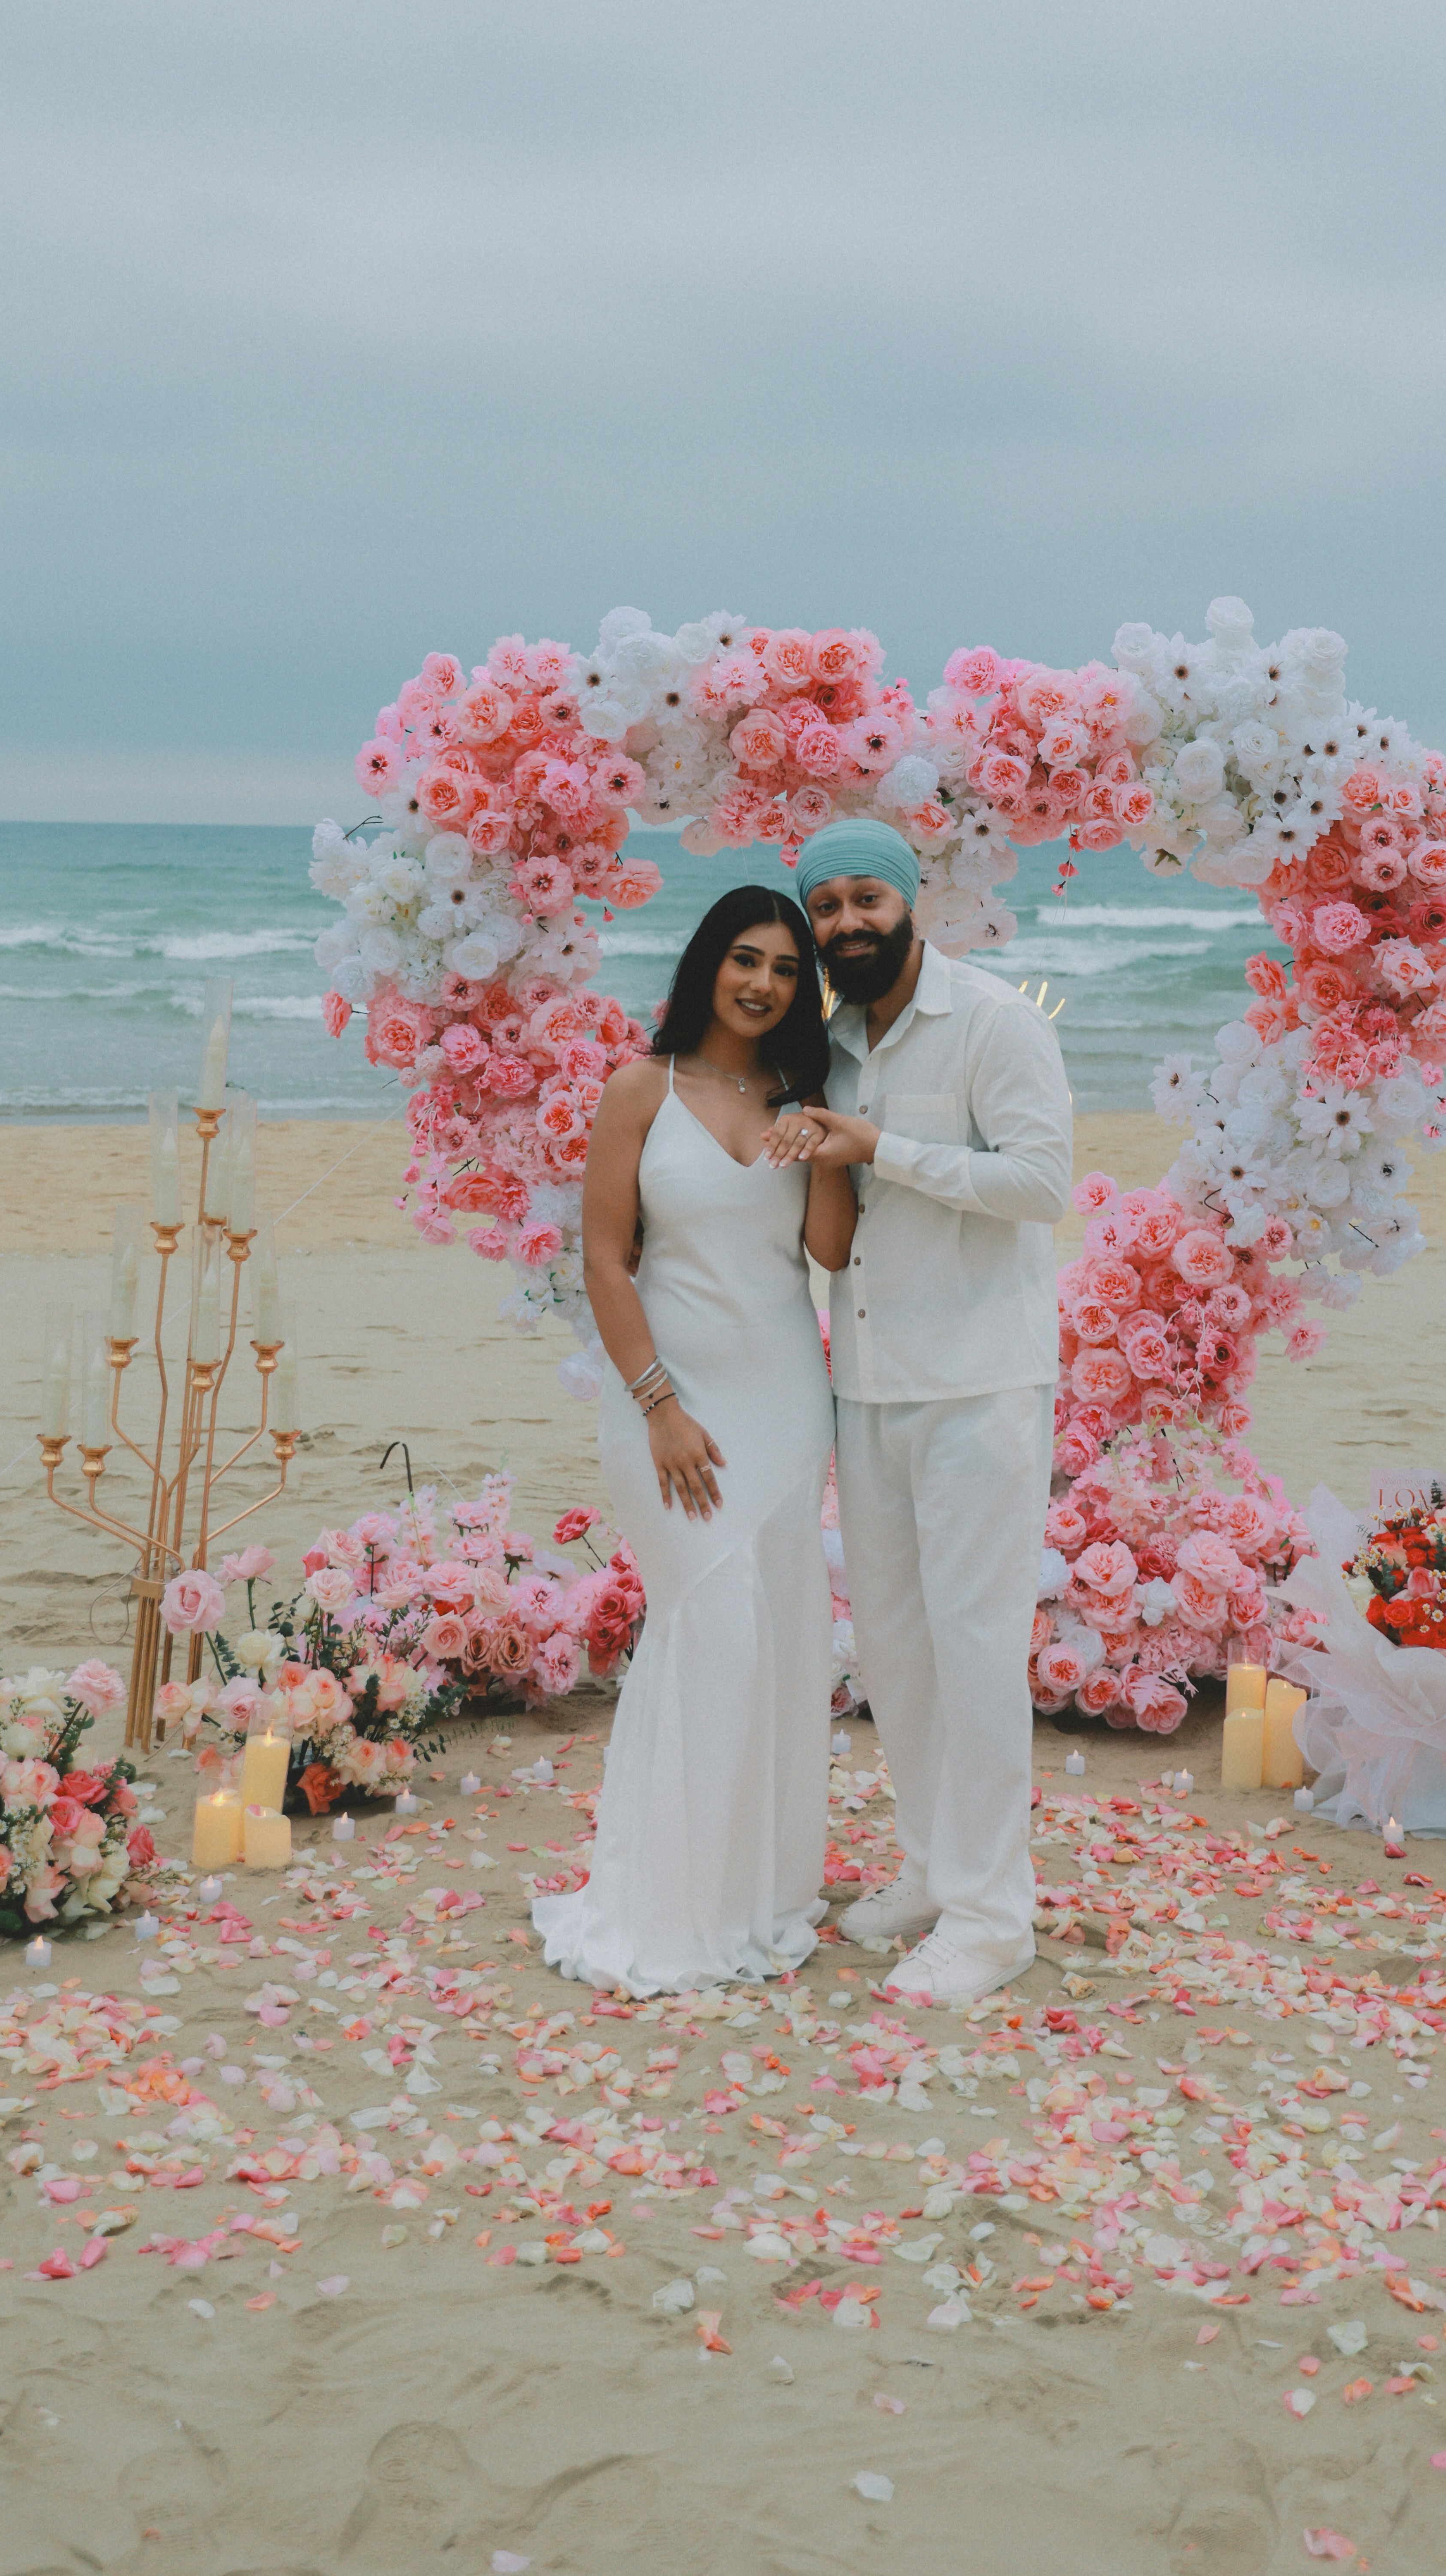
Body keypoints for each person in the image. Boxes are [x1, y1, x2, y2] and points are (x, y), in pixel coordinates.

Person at [767, 817, 1074, 2007]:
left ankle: (997, 1918)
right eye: (828, 904)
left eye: (867, 899)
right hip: (867, 1382)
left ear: (914, 904)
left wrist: (884, 1147)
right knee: (895, 1648)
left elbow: (1041, 1184)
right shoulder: (832, 1046)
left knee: (978, 1648)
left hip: (981, 1385)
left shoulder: (997, 1021)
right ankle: (936, 1869)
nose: (848, 921)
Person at [533, 887, 857, 1996]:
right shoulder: (641, 1087)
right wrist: (660, 1406)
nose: (761, 982)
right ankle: (670, 1903)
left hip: (781, 1399)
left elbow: (827, 1250)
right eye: (743, 959)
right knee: (706, 1630)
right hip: (669, 1409)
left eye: (781, 967)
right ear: (707, 964)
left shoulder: (792, 1091)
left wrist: (821, 1143)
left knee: (778, 1646)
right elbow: (604, 1262)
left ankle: (755, 1893)